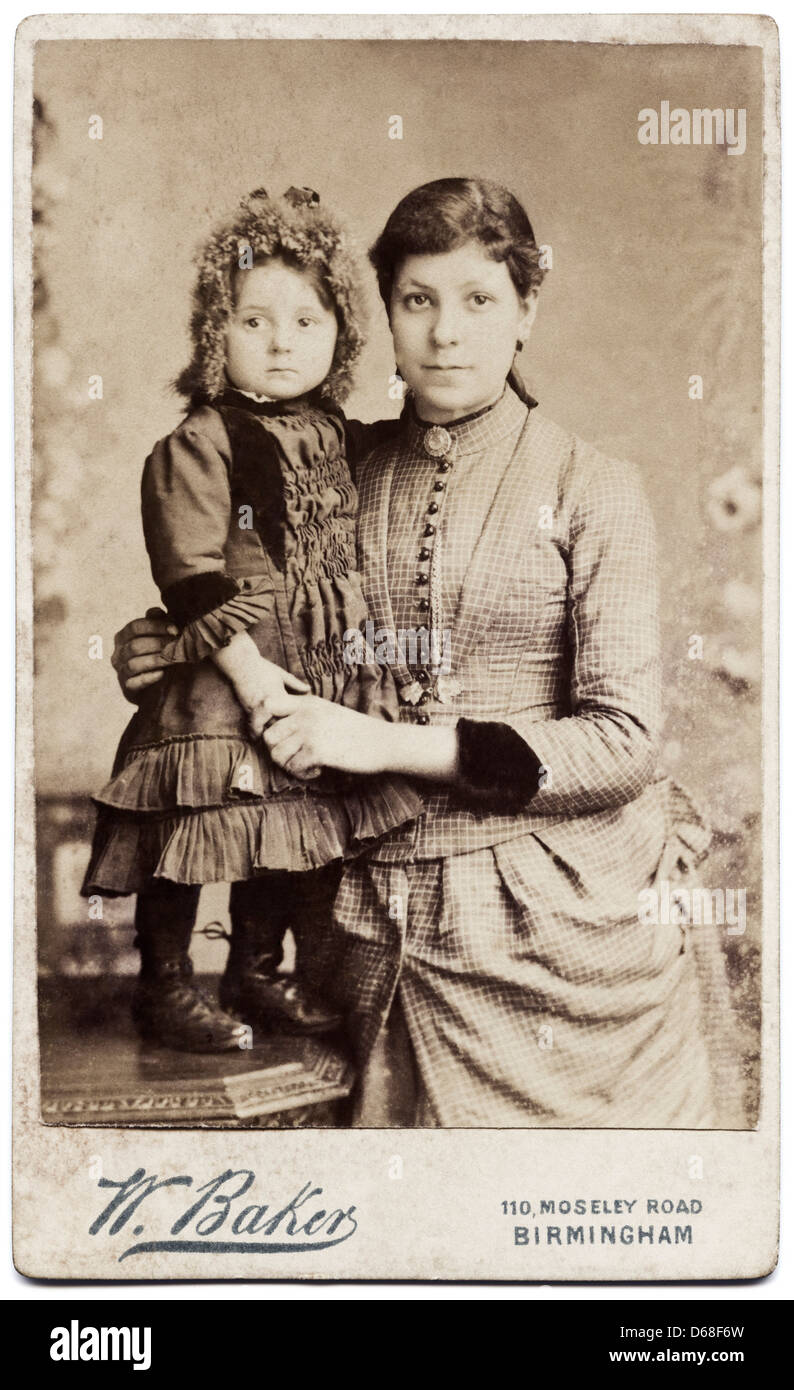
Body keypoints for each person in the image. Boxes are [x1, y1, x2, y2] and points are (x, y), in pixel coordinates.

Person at [111, 177, 742, 1126]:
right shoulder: (330, 465)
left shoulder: (593, 487)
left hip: (556, 929)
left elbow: (623, 743)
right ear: (386, 316)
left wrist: (391, 746)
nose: (447, 334)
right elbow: (237, 586)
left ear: (527, 311)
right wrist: (164, 648)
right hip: (355, 921)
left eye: (480, 300)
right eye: (418, 301)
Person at [82, 185, 423, 1053]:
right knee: (197, 826)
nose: (281, 343)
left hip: (314, 676)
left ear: (342, 336)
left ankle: (257, 973)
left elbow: (417, 453)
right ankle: (164, 987)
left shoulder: (342, 438)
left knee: (290, 833)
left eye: (307, 322)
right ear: (215, 335)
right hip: (227, 680)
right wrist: (250, 671)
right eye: (253, 321)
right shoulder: (200, 442)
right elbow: (191, 575)